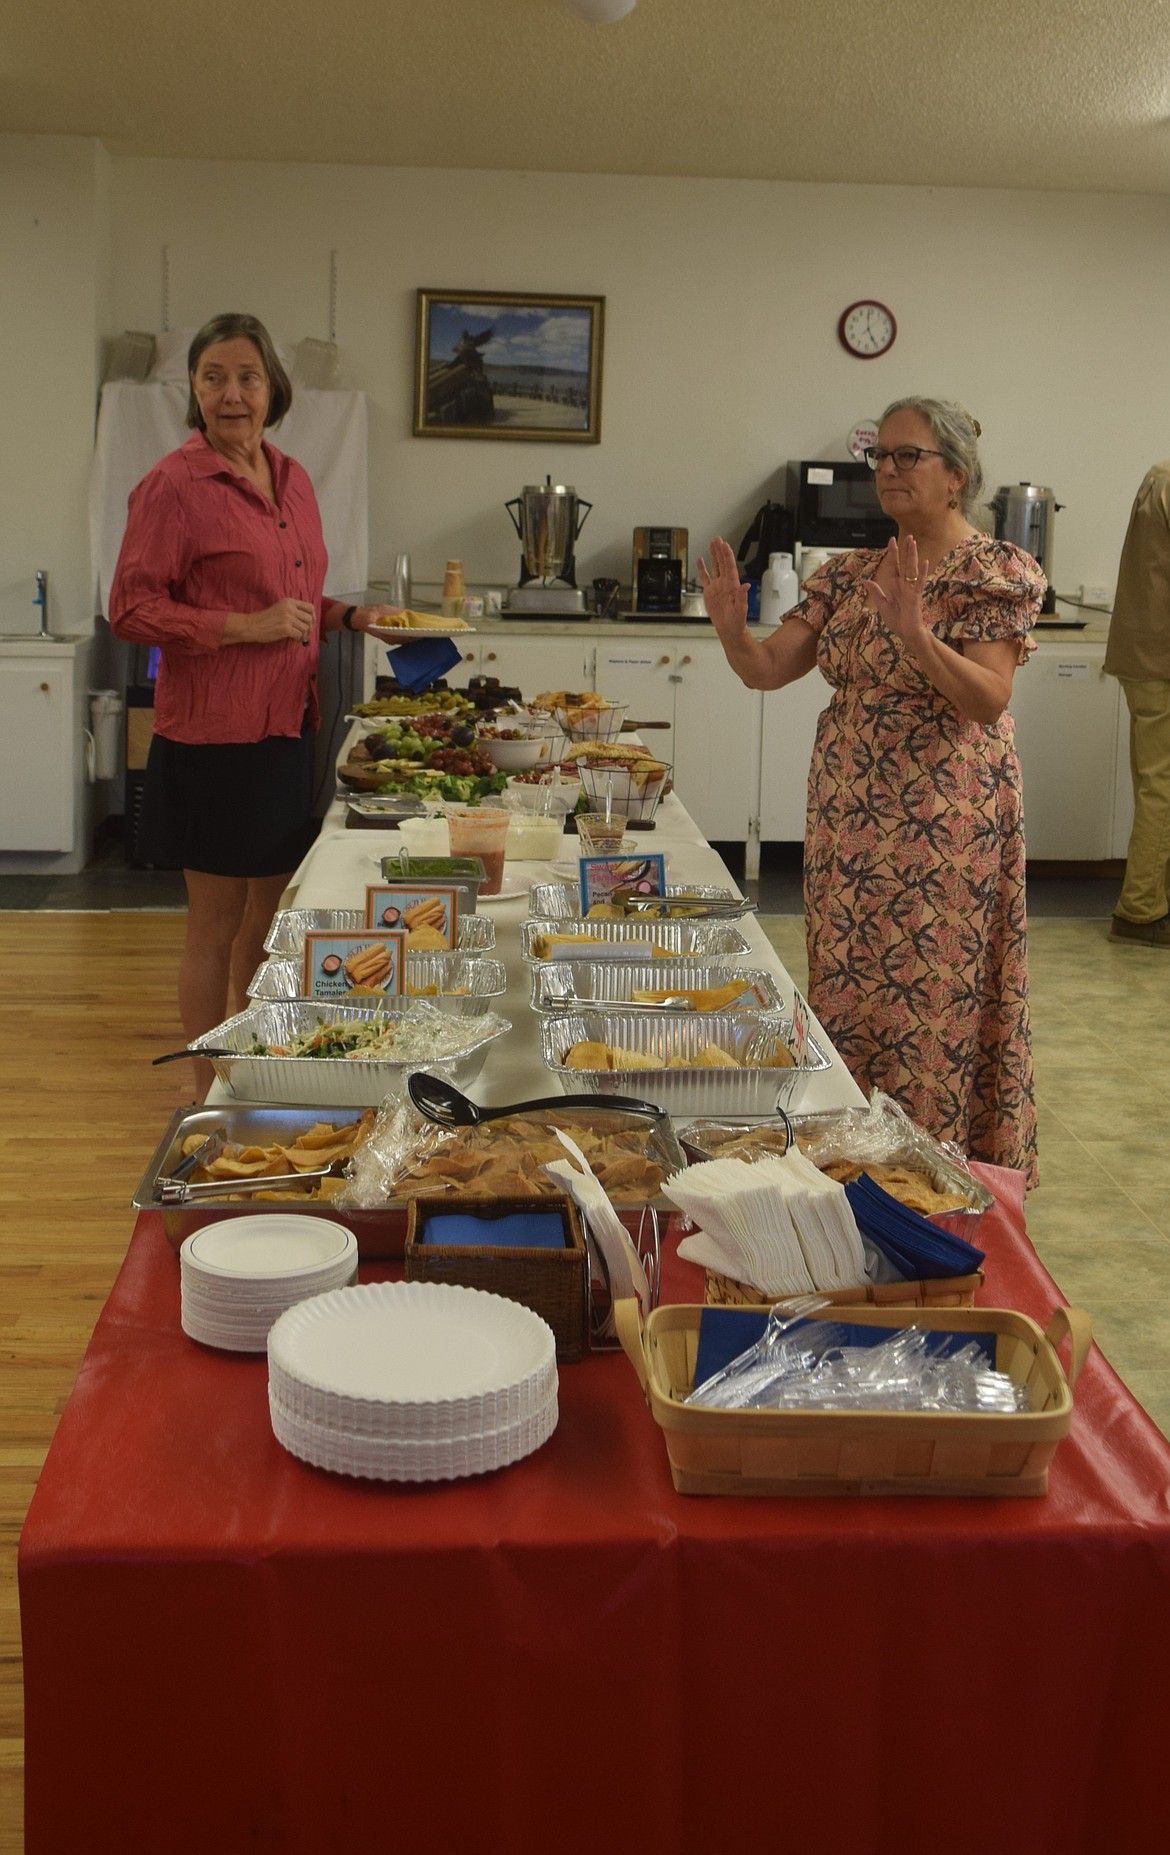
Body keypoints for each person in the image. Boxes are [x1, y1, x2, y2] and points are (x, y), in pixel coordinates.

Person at [699, 398, 1046, 1186]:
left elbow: (988, 700)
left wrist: (919, 638)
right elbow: (765, 669)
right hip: (850, 831)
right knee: (850, 992)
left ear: (955, 476)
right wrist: (729, 626)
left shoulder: (995, 572)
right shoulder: (849, 572)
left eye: (907, 456)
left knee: (933, 997)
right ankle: (858, 1166)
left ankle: (929, 1179)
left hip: (943, 826)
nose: (887, 470)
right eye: (881, 456)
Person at [110, 311, 401, 1097]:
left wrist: (351, 616)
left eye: (246, 377)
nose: (231, 393)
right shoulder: (172, 486)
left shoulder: (293, 477)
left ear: (272, 388)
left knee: (268, 918)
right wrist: (242, 627)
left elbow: (296, 596)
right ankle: (204, 1082)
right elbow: (131, 609)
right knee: (212, 920)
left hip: (283, 727)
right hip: (209, 735)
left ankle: (248, 1056)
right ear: (195, 391)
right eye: (214, 378)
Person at [1104, 461, 1170, 947]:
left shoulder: (1161, 473)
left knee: (1157, 782)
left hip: (1143, 652)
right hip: (1162, 660)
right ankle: (1142, 911)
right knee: (1162, 787)